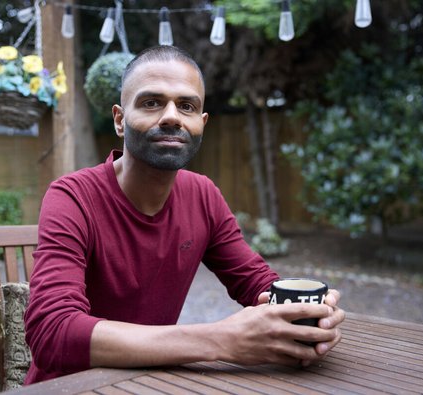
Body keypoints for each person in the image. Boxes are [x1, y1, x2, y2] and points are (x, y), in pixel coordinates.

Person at [24, 45, 345, 384]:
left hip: (149, 383)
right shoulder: (72, 197)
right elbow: (51, 332)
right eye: (151, 103)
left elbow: (257, 283)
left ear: (201, 123)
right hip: (69, 386)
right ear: (119, 119)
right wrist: (220, 339)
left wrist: (311, 313)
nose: (172, 116)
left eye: (187, 106)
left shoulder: (202, 195)